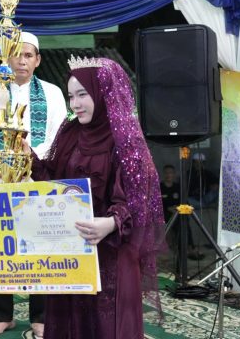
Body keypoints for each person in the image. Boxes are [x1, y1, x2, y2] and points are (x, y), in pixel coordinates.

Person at [30, 56, 164, 338]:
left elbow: (139, 197)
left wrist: (112, 222)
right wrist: (27, 158)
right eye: (71, 96)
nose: (75, 104)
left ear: (103, 93)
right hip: (72, 249)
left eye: (82, 94)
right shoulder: (70, 134)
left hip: (111, 252)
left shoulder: (126, 139)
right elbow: (54, 184)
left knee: (107, 325)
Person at [0, 32, 67, 337]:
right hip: (0, 179)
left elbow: (60, 136)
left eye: (28, 55)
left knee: (40, 246)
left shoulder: (52, 93)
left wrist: (32, 157)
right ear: (6, 56)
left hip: (39, 177)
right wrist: (5, 161)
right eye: (16, 54)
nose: (21, 61)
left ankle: (40, 316)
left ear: (37, 60)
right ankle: (3, 316)